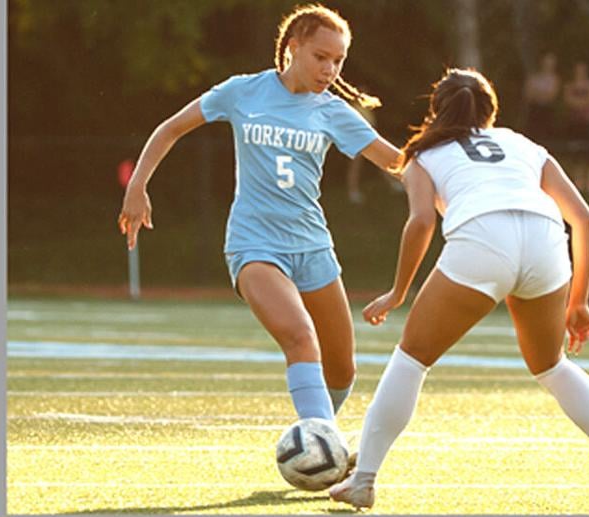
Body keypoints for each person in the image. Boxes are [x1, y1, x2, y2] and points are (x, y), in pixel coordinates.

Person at [328, 69, 589, 513]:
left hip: (483, 238)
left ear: (435, 110)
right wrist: (579, 301)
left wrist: (399, 291)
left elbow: (422, 222)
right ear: (491, 111)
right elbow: (585, 221)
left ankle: (363, 480)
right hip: (545, 240)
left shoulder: (422, 153)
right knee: (552, 367)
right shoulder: (523, 144)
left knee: (412, 358)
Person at [117, 4, 401, 459]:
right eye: (320, 56)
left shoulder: (334, 112)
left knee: (343, 371)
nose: (329, 69)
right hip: (255, 245)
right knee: (300, 336)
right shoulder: (242, 92)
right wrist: (138, 186)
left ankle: (318, 438)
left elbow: (396, 163)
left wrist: (454, 185)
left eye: (338, 61)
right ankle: (323, 449)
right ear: (293, 47)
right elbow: (171, 128)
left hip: (314, 248)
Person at [562, 61, 589, 194]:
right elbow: (568, 101)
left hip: (588, 123)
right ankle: (578, 182)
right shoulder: (570, 85)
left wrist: (580, 103)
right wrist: (583, 103)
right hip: (574, 123)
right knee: (576, 153)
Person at [522, 53, 561, 143]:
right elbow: (528, 94)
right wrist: (542, 94)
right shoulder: (534, 77)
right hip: (534, 109)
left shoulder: (555, 79)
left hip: (548, 110)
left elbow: (551, 96)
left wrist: (538, 93)